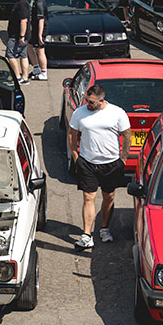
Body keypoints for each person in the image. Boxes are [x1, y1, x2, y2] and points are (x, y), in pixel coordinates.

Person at [68, 82, 131, 249]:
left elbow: (127, 136)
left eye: (91, 102)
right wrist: (76, 157)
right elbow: (72, 134)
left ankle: (104, 228)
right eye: (87, 100)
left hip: (111, 164)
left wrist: (123, 160)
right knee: (88, 197)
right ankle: (87, 235)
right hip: (87, 163)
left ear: (101, 100)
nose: (87, 104)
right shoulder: (79, 113)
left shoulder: (117, 113)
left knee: (108, 196)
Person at [6, 0, 30, 84]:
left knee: (10, 55)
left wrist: (21, 36)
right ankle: (24, 77)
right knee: (23, 56)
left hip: (17, 36)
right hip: (21, 36)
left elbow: (23, 21)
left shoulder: (21, 4)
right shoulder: (23, 3)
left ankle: (18, 76)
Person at [27, 0, 48, 81]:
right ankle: (36, 68)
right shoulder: (36, 2)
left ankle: (44, 73)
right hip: (35, 30)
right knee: (30, 47)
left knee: (40, 50)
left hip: (40, 31)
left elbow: (41, 19)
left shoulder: (39, 2)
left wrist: (40, 35)